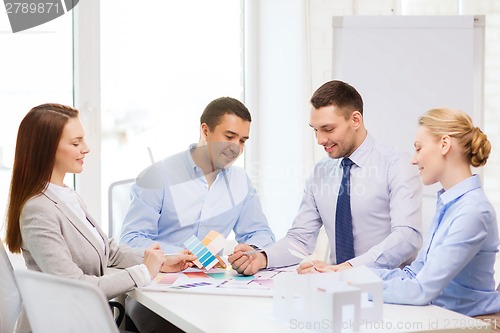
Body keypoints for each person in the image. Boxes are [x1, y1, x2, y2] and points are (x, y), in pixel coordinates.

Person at [4, 103, 195, 333]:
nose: (86, 149)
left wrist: (161, 261)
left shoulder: (66, 195)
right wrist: (143, 271)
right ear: (47, 149)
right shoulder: (38, 209)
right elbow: (75, 285)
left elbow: (109, 250)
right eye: (76, 143)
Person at [229, 80, 423, 275]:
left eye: (328, 129)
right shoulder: (321, 172)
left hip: (389, 289)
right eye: (315, 130)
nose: (320, 140)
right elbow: (300, 240)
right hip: (335, 285)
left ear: (355, 120)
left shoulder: (397, 165)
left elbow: (407, 238)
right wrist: (261, 258)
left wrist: (348, 269)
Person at [368, 108, 499, 317]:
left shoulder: (473, 212)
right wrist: (354, 275)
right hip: (447, 318)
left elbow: (421, 290)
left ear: (444, 145)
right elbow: (415, 273)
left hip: (476, 324)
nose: (413, 159)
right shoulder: (449, 204)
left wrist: (356, 286)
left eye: (418, 149)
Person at [120, 97, 275, 253]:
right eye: (229, 137)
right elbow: (131, 240)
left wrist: (252, 250)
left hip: (213, 276)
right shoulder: (158, 176)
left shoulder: (241, 181)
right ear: (206, 131)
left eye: (242, 141)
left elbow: (261, 234)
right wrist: (177, 254)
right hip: (163, 273)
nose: (236, 148)